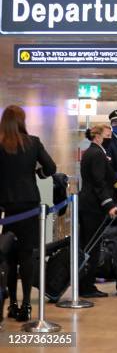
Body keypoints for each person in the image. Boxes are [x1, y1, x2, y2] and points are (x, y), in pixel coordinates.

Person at [0, 105, 56, 322]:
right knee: (26, 255)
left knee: (9, 257)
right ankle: (26, 306)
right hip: (30, 205)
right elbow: (50, 167)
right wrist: (37, 174)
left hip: (9, 208)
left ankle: (12, 304)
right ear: (22, 121)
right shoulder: (33, 142)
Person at [79, 124, 117, 298]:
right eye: (107, 135)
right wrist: (110, 205)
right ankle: (86, 286)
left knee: (91, 245)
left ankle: (86, 284)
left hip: (90, 205)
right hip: (92, 207)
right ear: (97, 136)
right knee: (92, 247)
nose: (109, 138)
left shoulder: (97, 152)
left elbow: (110, 175)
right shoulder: (96, 154)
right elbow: (98, 183)